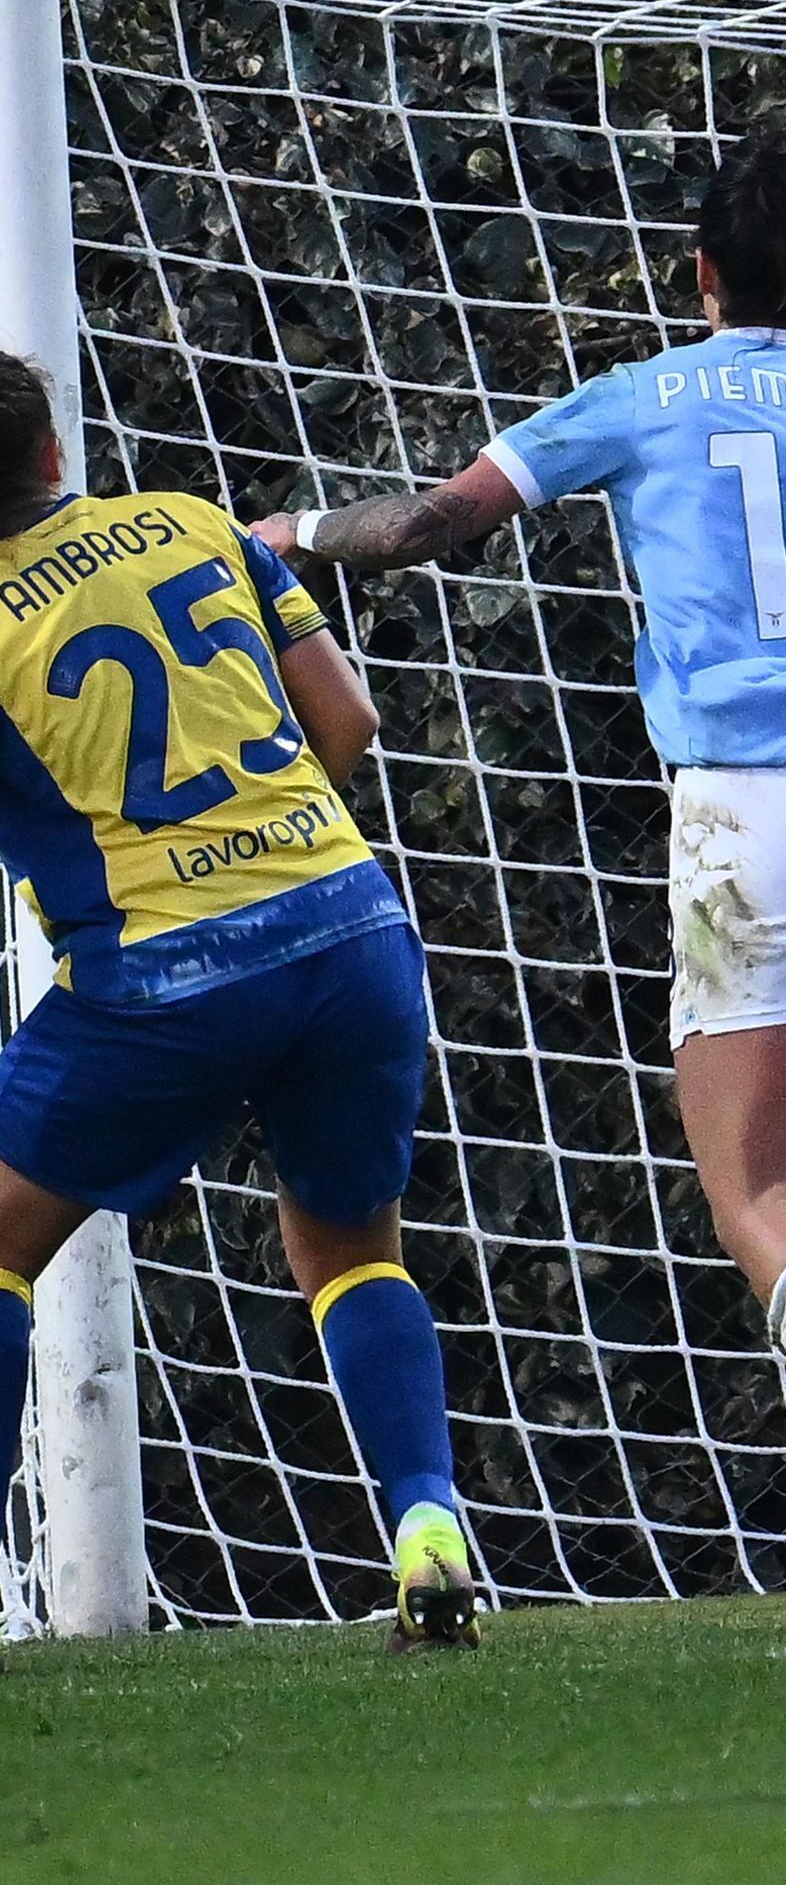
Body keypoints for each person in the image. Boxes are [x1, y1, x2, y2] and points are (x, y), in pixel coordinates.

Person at [261, 121, 786, 1607]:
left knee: (756, 1190)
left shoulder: (644, 395)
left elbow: (440, 520)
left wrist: (290, 535)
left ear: (695, 269)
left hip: (763, 803)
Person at [0, 355, 475, 1649]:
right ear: (53, 453)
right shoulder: (199, 522)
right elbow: (351, 718)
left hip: (163, 976)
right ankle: (428, 1524)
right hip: (347, 929)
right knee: (351, 1249)